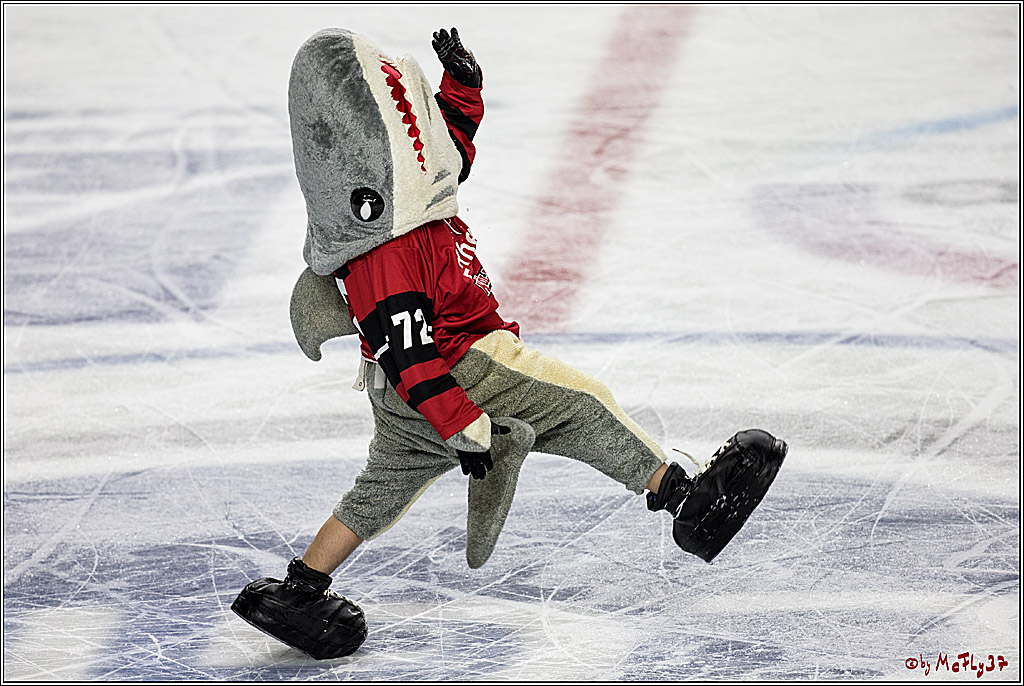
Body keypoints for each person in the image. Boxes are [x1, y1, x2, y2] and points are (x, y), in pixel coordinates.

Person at [231, 26, 788, 660]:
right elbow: (409, 349)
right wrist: (463, 422)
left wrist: (461, 88)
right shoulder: (390, 249)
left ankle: (302, 589)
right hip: (460, 365)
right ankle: (688, 502)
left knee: (380, 486)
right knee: (580, 405)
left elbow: (446, 153)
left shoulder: (404, 206)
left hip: (401, 398)